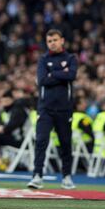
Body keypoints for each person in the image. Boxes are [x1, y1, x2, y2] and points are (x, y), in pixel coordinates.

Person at [27, 29, 77, 190]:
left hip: (64, 109)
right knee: (41, 142)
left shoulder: (71, 58)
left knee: (65, 144)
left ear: (62, 40)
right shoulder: (43, 59)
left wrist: (52, 74)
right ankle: (37, 176)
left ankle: (67, 177)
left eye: (55, 40)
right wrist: (61, 73)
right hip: (45, 108)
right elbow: (41, 80)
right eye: (49, 41)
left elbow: (72, 75)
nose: (52, 43)